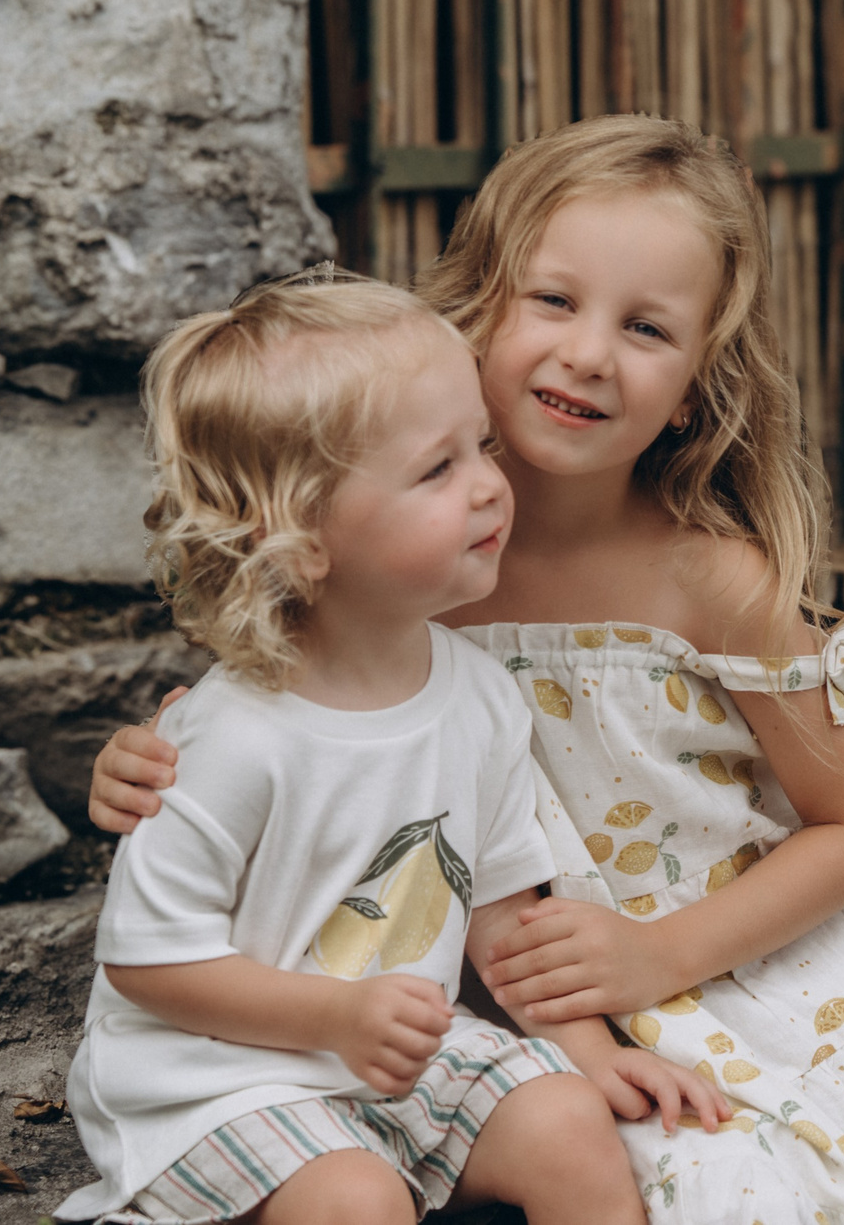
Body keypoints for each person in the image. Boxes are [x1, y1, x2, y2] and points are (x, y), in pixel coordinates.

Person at [91, 118, 844, 1225]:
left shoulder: (709, 579)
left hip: (728, 955)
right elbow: (278, 704)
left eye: (647, 327)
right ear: (477, 310)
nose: (590, 354)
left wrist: (674, 954)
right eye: (553, 302)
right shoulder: (400, 542)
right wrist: (143, 758)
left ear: (700, 379)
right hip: (505, 991)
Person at [57, 271, 701, 1225]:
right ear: (305, 541)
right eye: (437, 469)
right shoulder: (230, 733)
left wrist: (597, 1057)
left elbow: (502, 918)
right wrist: (338, 1020)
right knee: (355, 1198)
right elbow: (147, 963)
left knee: (567, 1121)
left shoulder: (479, 696)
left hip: (395, 1052)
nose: (491, 482)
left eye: (480, 444)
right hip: (219, 1072)